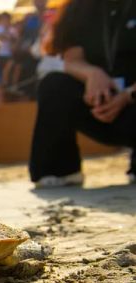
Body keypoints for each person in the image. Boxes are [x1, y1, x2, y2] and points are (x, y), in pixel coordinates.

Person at [30, 0, 136, 187]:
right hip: (99, 103)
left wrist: (128, 94)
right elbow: (72, 59)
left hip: (131, 102)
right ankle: (60, 169)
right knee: (54, 84)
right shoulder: (78, 7)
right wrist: (91, 74)